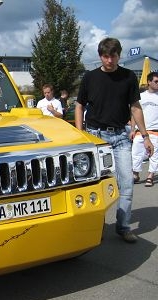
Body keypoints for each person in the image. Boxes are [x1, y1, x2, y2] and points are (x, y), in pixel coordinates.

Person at [75, 37, 154, 243]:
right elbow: (79, 106)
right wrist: (79, 134)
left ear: (119, 55)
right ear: (101, 56)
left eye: (113, 56)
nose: (109, 60)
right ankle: (96, 226)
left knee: (126, 183)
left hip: (120, 137)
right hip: (95, 138)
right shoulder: (90, 78)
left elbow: (135, 107)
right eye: (105, 56)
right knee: (96, 185)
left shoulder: (128, 77)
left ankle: (123, 226)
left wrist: (145, 136)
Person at [132, 71, 158, 187]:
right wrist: (132, 129)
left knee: (154, 155)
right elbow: (134, 113)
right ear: (149, 82)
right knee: (136, 153)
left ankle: (150, 176)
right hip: (140, 131)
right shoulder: (140, 96)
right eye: (156, 81)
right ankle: (135, 174)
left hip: (155, 130)